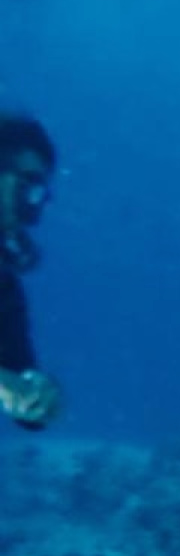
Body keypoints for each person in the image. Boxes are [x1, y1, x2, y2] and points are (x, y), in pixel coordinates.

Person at [0, 113, 61, 429]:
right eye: (27, 184)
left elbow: (18, 369)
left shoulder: (5, 288)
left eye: (39, 192)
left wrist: (38, 394)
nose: (33, 204)